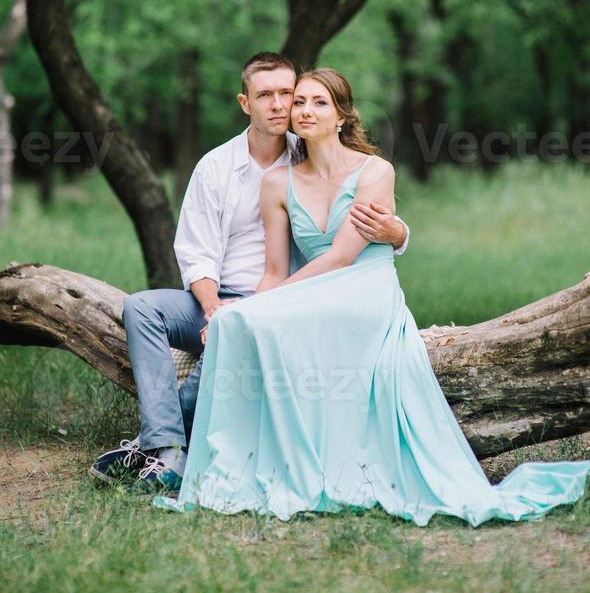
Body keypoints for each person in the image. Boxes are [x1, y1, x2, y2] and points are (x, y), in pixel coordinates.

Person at [154, 68, 590, 524]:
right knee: (235, 323)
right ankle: (216, 458)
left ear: (342, 116)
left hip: (364, 285)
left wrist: (265, 303)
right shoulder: (276, 184)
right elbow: (273, 271)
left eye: (319, 102)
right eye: (299, 102)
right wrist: (246, 308)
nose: (303, 110)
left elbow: (342, 257)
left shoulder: (375, 171)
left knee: (259, 315)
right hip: (313, 287)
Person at [89, 53, 410, 491]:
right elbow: (196, 254)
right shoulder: (215, 167)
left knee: (236, 327)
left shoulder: (312, 151)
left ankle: (156, 446)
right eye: (267, 96)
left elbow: (351, 235)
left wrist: (399, 233)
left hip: (285, 297)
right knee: (142, 307)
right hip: (220, 294)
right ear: (245, 103)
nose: (283, 106)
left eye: (288, 95)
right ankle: (165, 446)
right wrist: (212, 307)